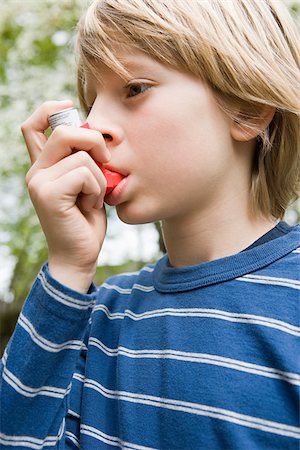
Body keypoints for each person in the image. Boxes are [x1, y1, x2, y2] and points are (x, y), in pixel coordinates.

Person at [0, 0, 299, 448]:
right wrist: (67, 266)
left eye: (135, 89)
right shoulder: (96, 317)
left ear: (247, 110)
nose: (94, 124)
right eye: (91, 101)